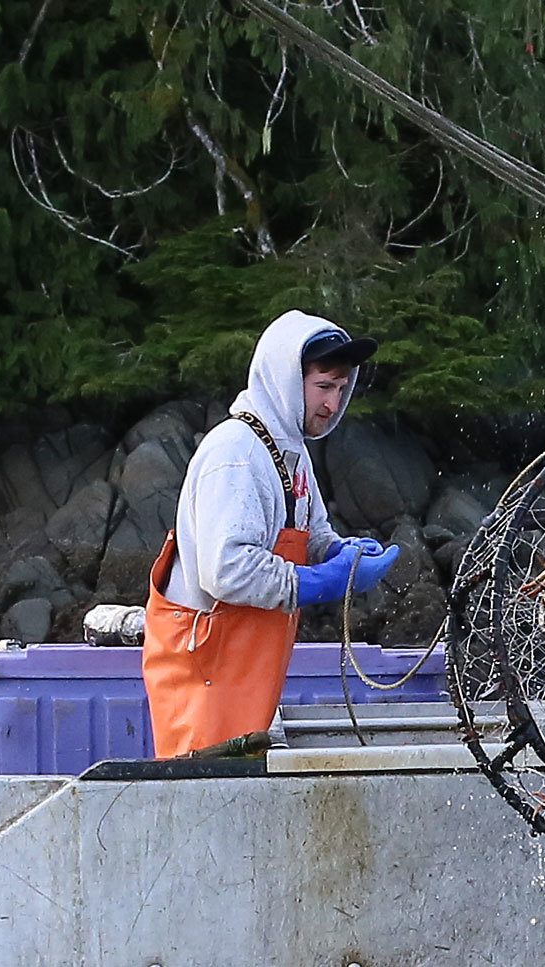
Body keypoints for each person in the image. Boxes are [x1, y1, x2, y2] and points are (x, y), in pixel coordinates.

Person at [141, 309, 399, 758]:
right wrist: (324, 580)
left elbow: (311, 533)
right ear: (285, 380)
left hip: (245, 676)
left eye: (341, 389)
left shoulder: (290, 448)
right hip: (204, 679)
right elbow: (226, 570)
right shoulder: (236, 453)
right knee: (204, 791)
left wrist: (341, 553)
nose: (332, 405)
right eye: (323, 387)